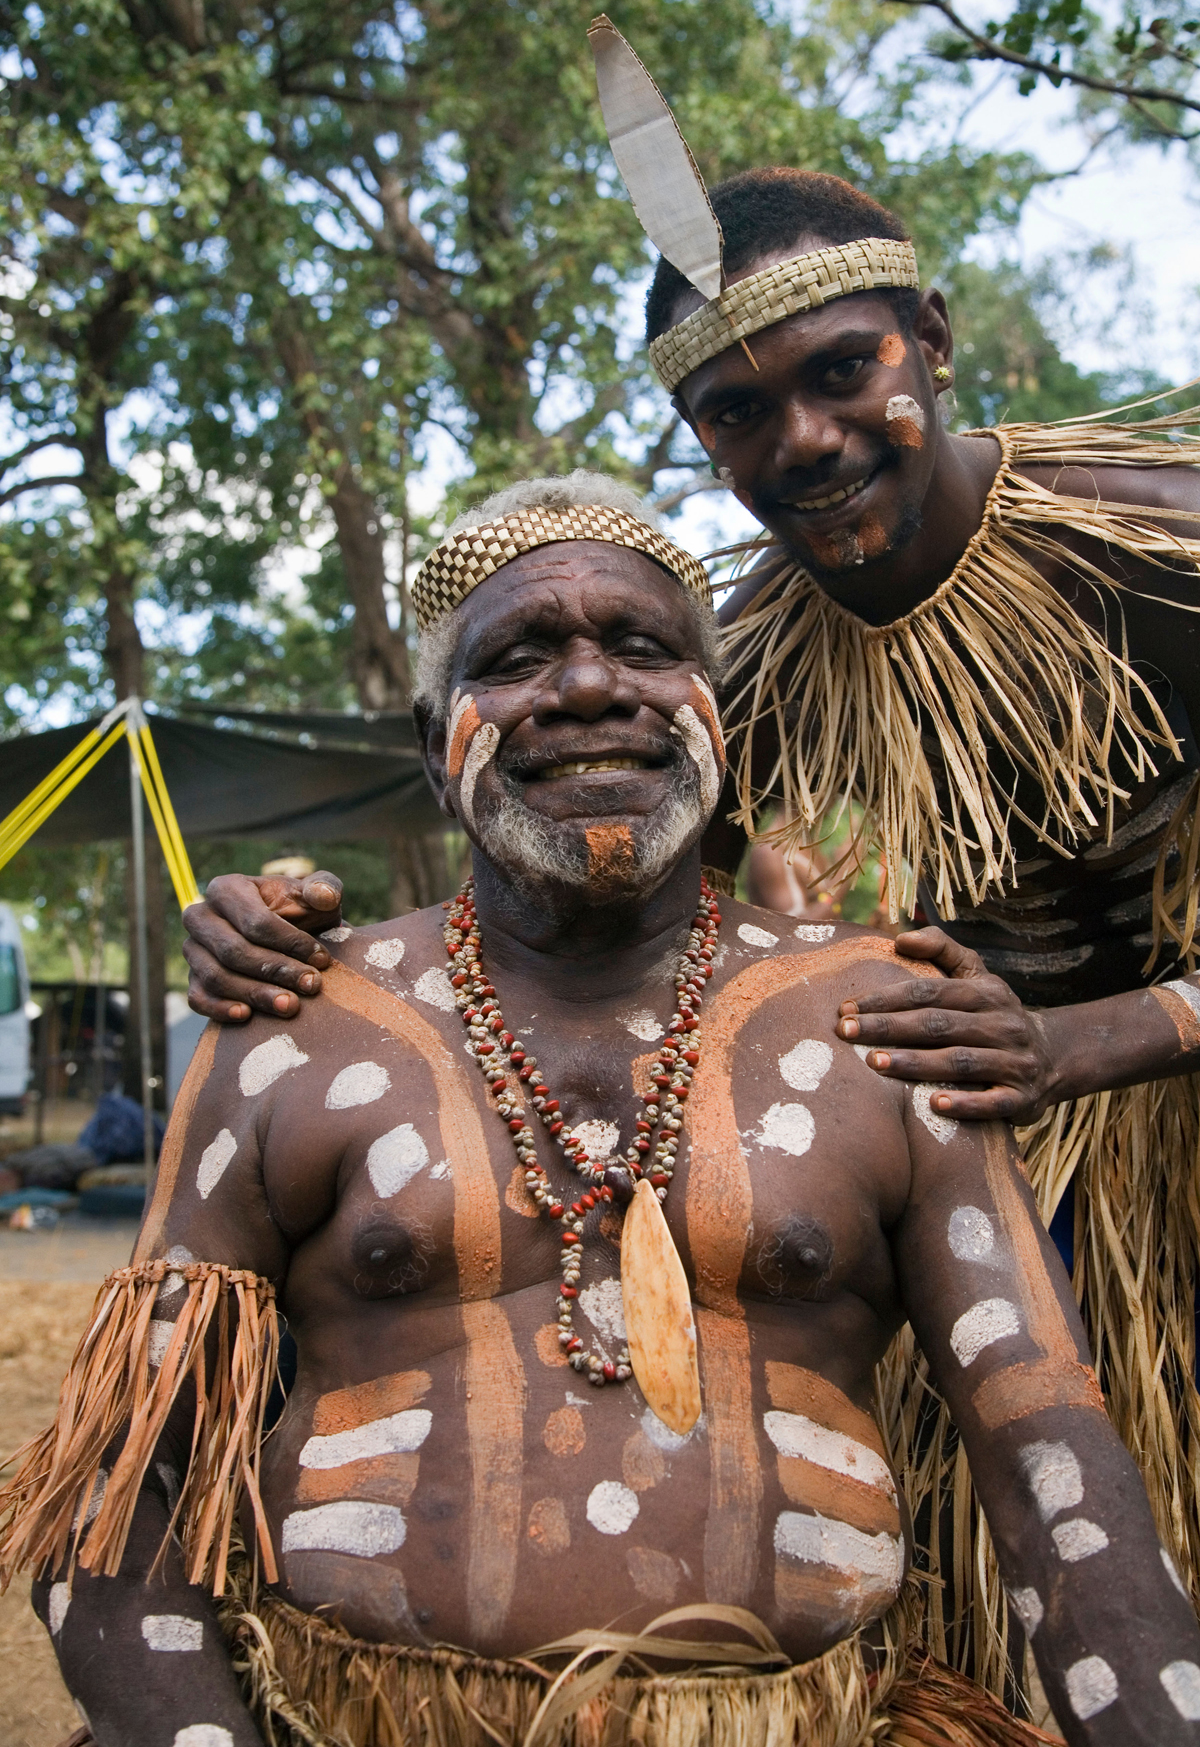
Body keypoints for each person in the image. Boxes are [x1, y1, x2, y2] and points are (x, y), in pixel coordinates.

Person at [6, 475, 1197, 1747]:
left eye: (643, 646)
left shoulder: (881, 1023)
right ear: (434, 740)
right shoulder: (295, 1029)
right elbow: (124, 1497)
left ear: (717, 722)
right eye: (517, 656)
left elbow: (1055, 1475)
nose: (586, 689)